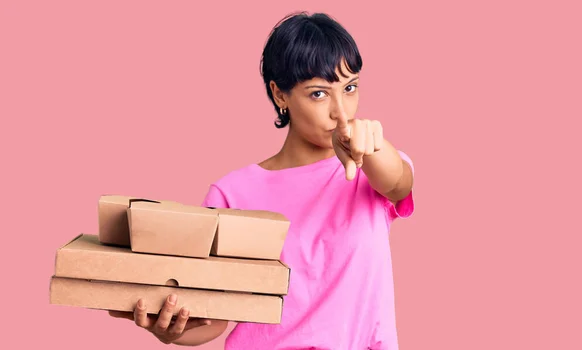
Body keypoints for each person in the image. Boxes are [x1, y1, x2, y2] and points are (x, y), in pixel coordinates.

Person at [109, 11, 415, 349]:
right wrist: (170, 330)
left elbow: (398, 183)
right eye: (319, 94)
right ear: (280, 95)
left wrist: (368, 146)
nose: (340, 112)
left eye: (350, 88)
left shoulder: (369, 169)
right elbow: (215, 317)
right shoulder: (233, 194)